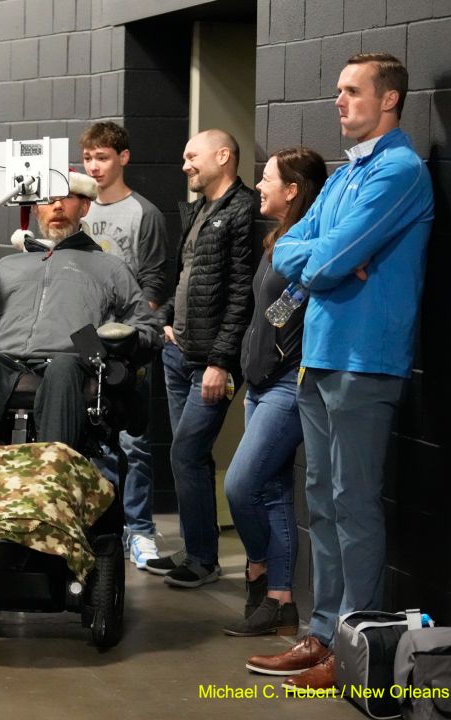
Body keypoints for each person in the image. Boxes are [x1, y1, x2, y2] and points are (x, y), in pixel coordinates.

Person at [245, 52, 434, 688]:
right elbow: (291, 248)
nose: (340, 101)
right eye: (338, 91)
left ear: (390, 101)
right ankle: (323, 633)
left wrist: (324, 259)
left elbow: (324, 262)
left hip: (366, 359)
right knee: (321, 503)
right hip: (318, 356)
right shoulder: (346, 176)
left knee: (353, 504)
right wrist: (321, 257)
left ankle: (356, 652)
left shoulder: (400, 171)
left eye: (353, 92)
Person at [0, 172, 161, 453]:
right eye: (48, 199)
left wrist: (121, 342)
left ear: (85, 206)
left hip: (70, 365)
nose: (58, 206)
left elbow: (148, 328)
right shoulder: (9, 265)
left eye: (67, 197)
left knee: (62, 367)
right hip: (6, 363)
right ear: (37, 208)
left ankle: (55, 481)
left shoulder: (108, 267)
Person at [143, 129, 257, 589]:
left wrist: (221, 361)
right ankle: (196, 551)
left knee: (187, 452)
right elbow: (186, 279)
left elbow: (241, 296)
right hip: (180, 353)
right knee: (189, 457)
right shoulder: (199, 210)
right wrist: (165, 321)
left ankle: (204, 560)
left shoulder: (243, 210)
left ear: (223, 156)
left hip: (210, 362)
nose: (185, 165)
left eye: (193, 156)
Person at [220, 147, 327, 637]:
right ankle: (280, 603)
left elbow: (293, 307)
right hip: (262, 385)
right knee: (274, 492)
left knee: (240, 486)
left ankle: (259, 569)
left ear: (293, 190)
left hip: (288, 385)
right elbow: (272, 313)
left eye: (266, 180)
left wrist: (272, 361)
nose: (257, 186)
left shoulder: (309, 244)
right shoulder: (278, 239)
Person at [78, 121, 171, 570]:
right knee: (91, 436)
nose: (95, 167)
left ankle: (140, 531)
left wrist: (132, 332)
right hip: (82, 339)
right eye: (89, 158)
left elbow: (154, 281)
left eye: (103, 158)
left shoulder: (142, 213)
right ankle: (99, 529)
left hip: (126, 341)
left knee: (133, 440)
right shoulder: (76, 208)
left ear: (123, 159)